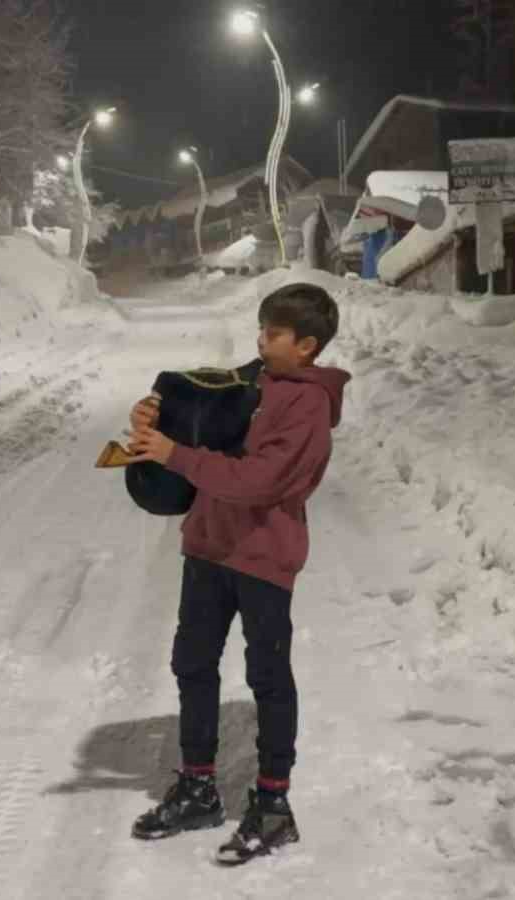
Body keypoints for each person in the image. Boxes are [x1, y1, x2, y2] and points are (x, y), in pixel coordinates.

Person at [124, 282, 351, 864]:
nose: (259, 340)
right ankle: (198, 786)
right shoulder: (254, 381)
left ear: (306, 346)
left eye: (272, 334)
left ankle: (274, 805)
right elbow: (205, 420)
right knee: (192, 663)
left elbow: (260, 482)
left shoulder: (307, 405)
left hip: (263, 556)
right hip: (208, 546)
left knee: (268, 676)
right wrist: (155, 420)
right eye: (261, 328)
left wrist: (175, 454)